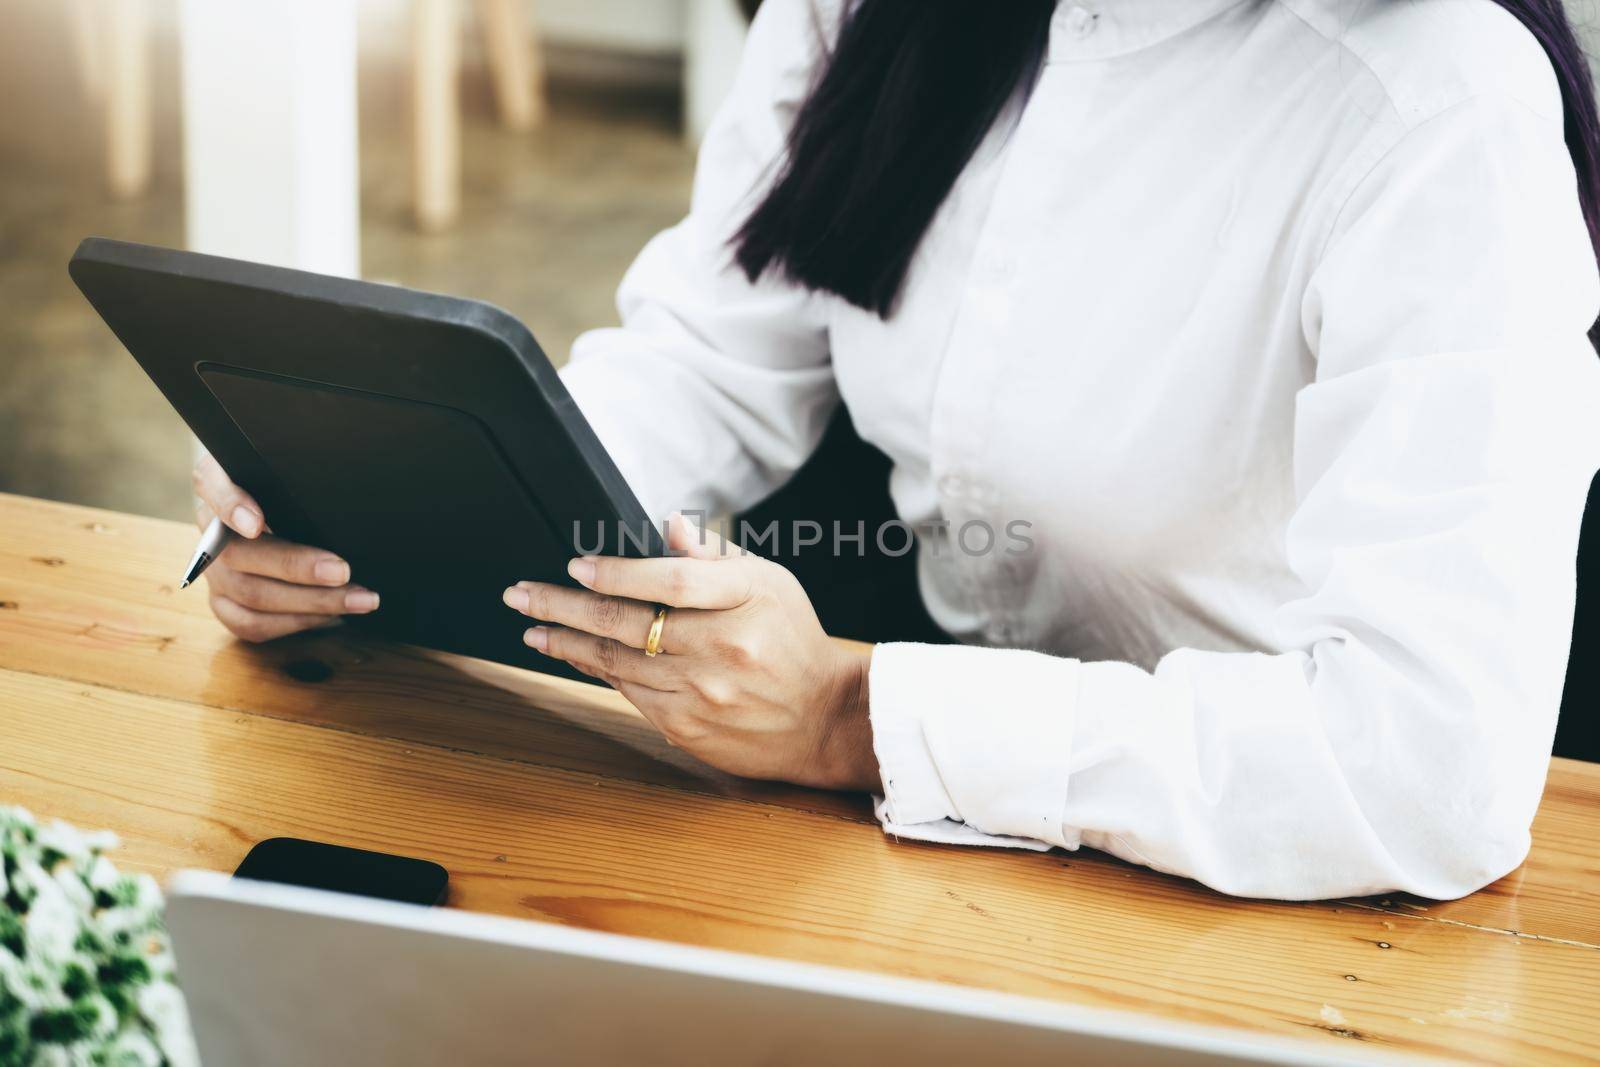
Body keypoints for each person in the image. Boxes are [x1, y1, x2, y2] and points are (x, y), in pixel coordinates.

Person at [189, 0, 1600, 901]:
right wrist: (368, 500)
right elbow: (712, 356)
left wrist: (848, 716)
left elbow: (1435, 770)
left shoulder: (1437, 103)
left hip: (1277, 877)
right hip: (944, 833)